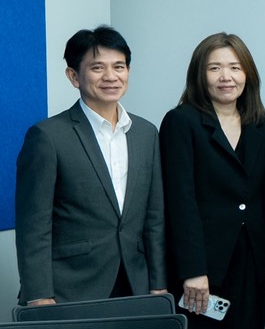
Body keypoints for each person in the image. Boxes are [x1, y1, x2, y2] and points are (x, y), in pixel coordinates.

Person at [15, 26, 167, 306]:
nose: (111, 76)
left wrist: (158, 283)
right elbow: (33, 225)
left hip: (136, 284)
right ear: (74, 76)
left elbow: (154, 217)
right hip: (70, 288)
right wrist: (39, 294)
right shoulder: (48, 136)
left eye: (119, 66)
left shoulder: (146, 133)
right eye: (97, 67)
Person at [159, 32, 265, 329]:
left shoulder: (261, 123)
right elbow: (180, 201)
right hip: (203, 266)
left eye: (235, 67)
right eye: (215, 68)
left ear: (248, 73)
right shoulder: (182, 121)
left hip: (249, 262)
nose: (226, 77)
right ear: (200, 74)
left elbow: (263, 195)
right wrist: (192, 270)